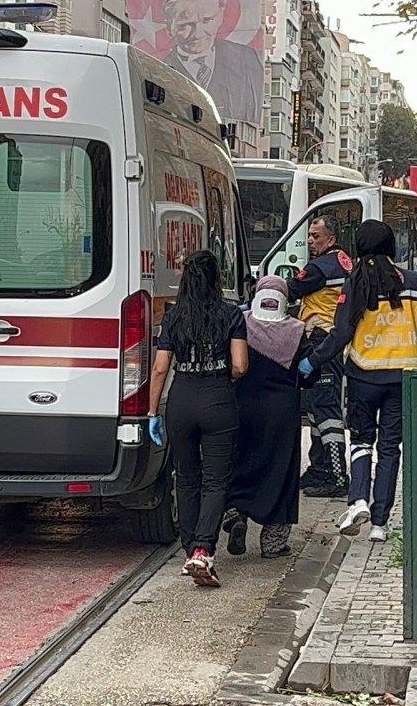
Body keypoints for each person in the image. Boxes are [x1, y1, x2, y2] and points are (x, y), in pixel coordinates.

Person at [300, 220, 417, 541]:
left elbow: (341, 332)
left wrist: (311, 361)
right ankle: (380, 524)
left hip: (363, 376)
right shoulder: (411, 282)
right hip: (401, 376)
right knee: (389, 448)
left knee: (361, 442)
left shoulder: (354, 281)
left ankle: (358, 499)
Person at [147, 250, 249, 587]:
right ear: (216, 279)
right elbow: (240, 366)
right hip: (218, 398)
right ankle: (204, 549)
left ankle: (190, 548)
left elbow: (161, 367)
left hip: (181, 400)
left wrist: (152, 413)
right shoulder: (231, 314)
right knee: (215, 480)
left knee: (186, 477)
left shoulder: (174, 317)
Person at [223, 276, 316, 559]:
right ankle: (273, 543)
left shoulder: (241, 323)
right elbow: (309, 377)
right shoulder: (297, 331)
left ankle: (236, 513)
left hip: (242, 406)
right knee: (281, 470)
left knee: (240, 461)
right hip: (282, 413)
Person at [288, 216, 353, 498]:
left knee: (326, 412)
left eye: (316, 236)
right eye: (310, 236)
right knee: (316, 410)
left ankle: (337, 477)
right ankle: (319, 469)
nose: (311, 241)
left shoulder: (319, 267)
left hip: (322, 341)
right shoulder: (343, 260)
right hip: (332, 342)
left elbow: (292, 288)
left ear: (330, 238)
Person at [162, 0, 263, 124]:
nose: (197, 33)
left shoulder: (245, 59)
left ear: (220, 17)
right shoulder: (160, 69)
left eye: (207, 20)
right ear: (169, 26)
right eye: (185, 25)